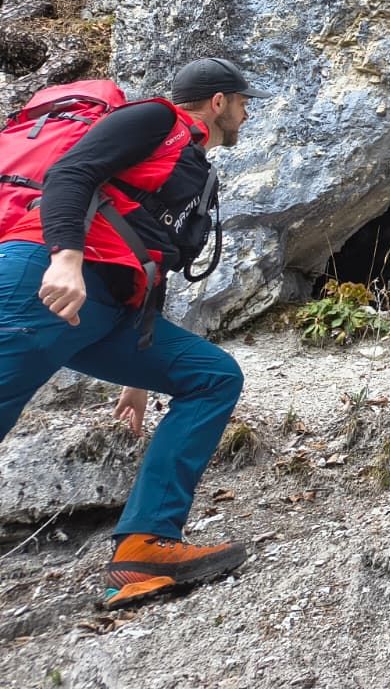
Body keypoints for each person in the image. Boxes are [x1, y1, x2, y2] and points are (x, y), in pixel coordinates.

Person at [0, 56, 265, 607]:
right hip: (45, 278)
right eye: (242, 103)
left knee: (211, 377)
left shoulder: (192, 166)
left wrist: (138, 377)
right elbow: (70, 174)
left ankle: (145, 546)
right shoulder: (154, 120)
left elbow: (151, 254)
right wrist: (65, 258)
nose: (245, 114)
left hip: (110, 305)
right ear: (219, 102)